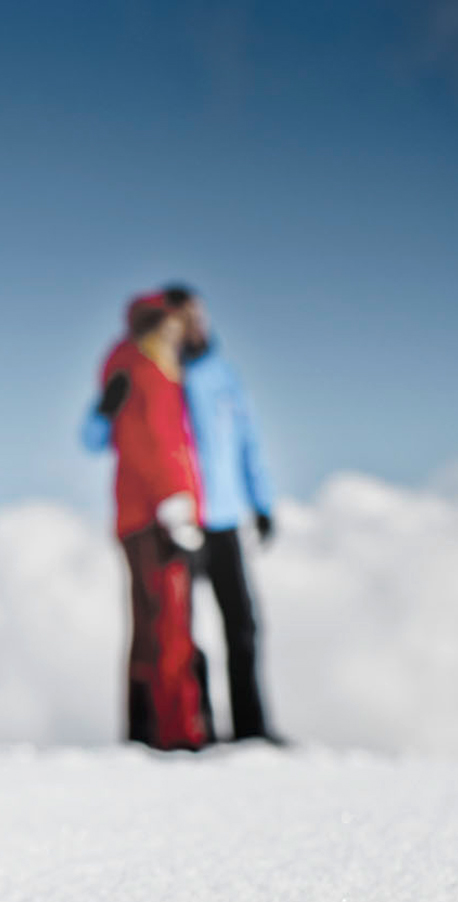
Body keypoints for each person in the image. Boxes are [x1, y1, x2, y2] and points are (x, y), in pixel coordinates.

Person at [163, 284, 280, 743]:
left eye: (196, 316)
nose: (192, 325)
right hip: (181, 521)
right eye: (182, 317)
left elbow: (249, 446)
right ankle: (199, 726)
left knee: (243, 624)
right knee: (184, 631)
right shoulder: (162, 376)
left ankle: (252, 729)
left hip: (226, 518)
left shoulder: (226, 378)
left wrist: (263, 504)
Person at [93, 293, 210, 750]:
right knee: (171, 627)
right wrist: (178, 508)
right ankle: (177, 732)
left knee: (147, 626)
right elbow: (160, 446)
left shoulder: (124, 365)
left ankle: (143, 731)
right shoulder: (151, 372)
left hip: (135, 514)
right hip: (159, 516)